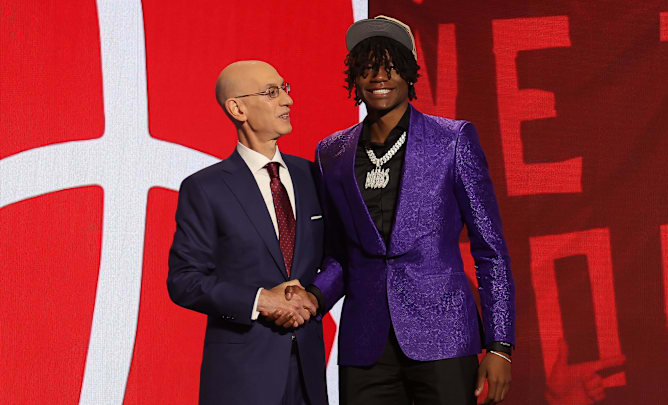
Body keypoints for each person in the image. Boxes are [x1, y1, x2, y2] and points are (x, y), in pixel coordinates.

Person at [298, 16, 515, 405]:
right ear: (355, 78)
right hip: (364, 346)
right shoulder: (331, 152)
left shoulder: (452, 140)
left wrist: (499, 345)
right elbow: (339, 255)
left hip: (444, 337)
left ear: (410, 74)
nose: (379, 76)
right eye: (367, 66)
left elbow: (490, 249)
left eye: (391, 65)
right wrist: (313, 297)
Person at [167, 60, 327, 405]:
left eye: (286, 89)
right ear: (237, 108)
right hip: (241, 377)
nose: (287, 101)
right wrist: (260, 301)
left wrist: (313, 296)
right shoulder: (205, 188)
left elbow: (338, 258)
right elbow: (184, 281)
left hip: (309, 372)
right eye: (272, 92)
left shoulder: (314, 177)